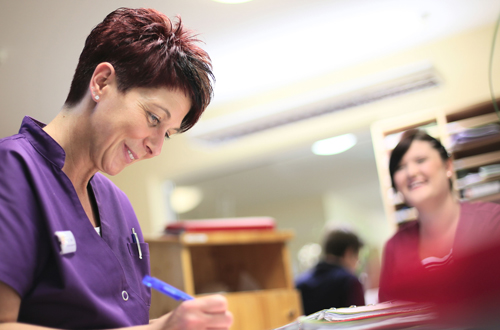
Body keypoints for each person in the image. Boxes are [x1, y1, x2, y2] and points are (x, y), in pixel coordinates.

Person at [0, 7, 232, 330]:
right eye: (154, 118)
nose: (156, 147)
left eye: (166, 133)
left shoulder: (118, 206)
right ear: (102, 82)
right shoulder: (13, 169)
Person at [378, 129, 500, 327]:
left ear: (448, 166)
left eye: (420, 160)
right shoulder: (394, 248)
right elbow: (387, 321)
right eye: (400, 167)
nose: (411, 173)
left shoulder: (493, 222)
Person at [295, 228, 365, 315]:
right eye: (357, 256)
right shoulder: (350, 282)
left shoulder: (299, 284)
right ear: (349, 252)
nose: (358, 262)